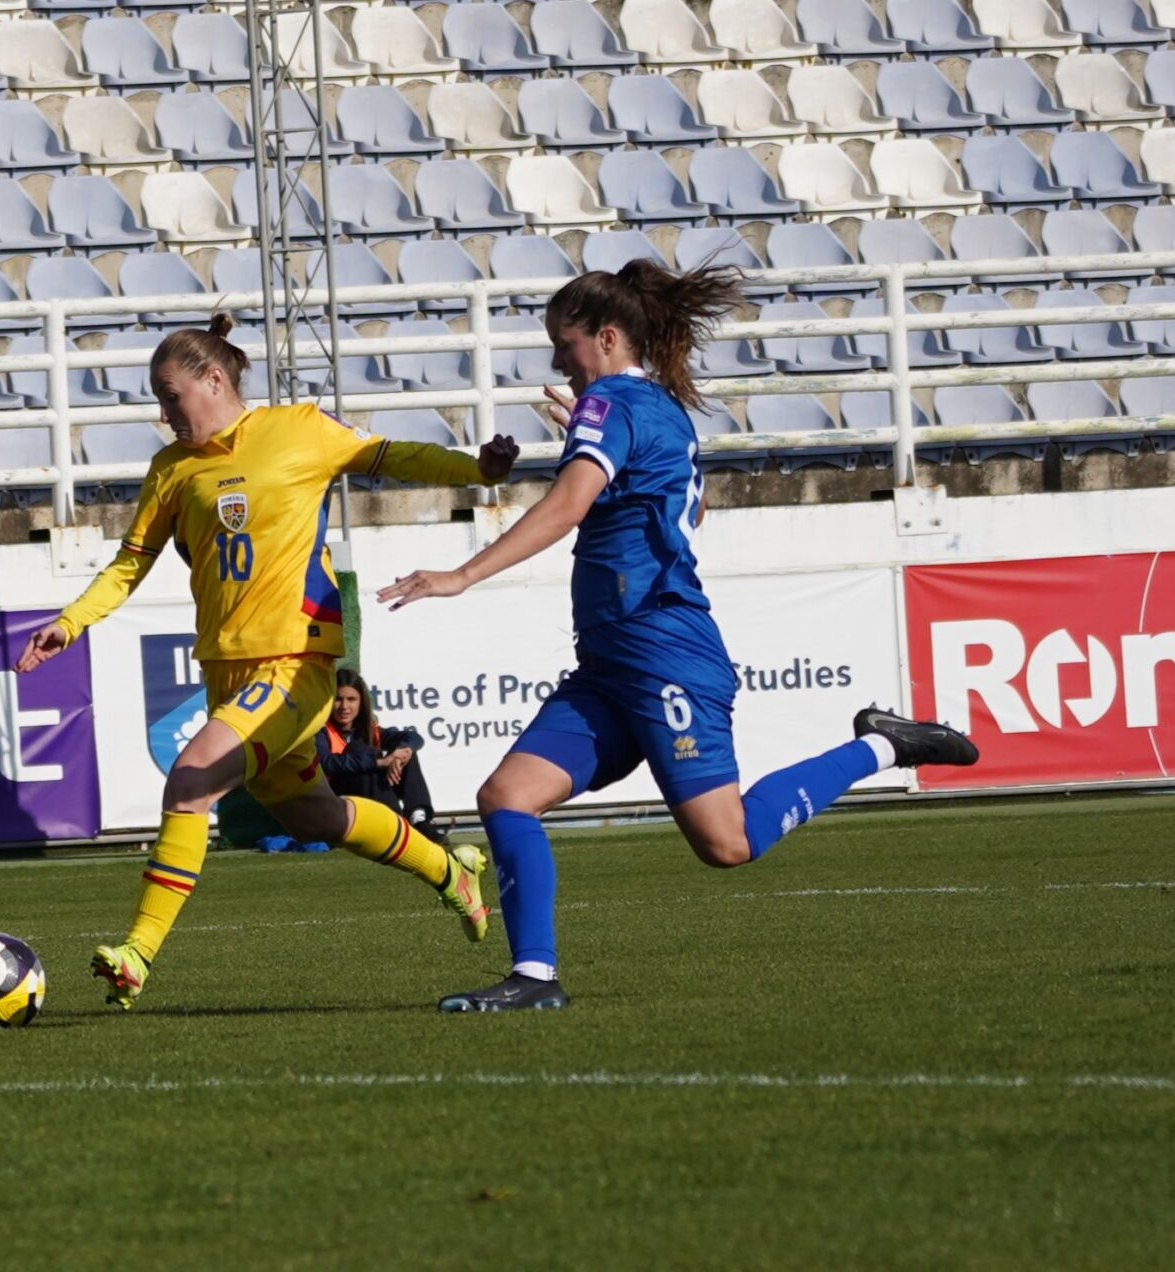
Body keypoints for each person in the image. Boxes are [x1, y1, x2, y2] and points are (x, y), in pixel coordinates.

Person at [378, 260, 980, 1013]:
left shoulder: (612, 405)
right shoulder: (656, 409)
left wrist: (462, 574)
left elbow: (568, 506)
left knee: (727, 843)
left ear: (607, 337)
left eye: (564, 344)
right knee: (507, 796)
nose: (558, 361)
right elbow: (686, 512)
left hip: (662, 647)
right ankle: (534, 977)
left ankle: (883, 746)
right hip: (611, 658)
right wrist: (599, 452)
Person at [15, 313, 521, 1010]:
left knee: (191, 781)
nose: (164, 416)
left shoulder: (301, 428)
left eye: (171, 397)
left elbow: (390, 454)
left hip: (294, 664)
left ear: (212, 379)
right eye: (159, 402)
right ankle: (448, 869)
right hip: (225, 671)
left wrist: (477, 471)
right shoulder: (172, 469)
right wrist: (70, 622)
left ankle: (137, 953)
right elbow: (130, 564)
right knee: (316, 819)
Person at [316, 669, 442, 842]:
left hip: (370, 794)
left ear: (361, 702)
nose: (344, 706)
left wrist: (399, 754)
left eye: (351, 699)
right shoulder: (320, 730)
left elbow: (414, 737)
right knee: (357, 750)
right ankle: (398, 825)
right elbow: (326, 763)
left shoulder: (370, 729)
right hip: (337, 799)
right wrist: (378, 761)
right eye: (338, 699)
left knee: (406, 753)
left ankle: (418, 819)